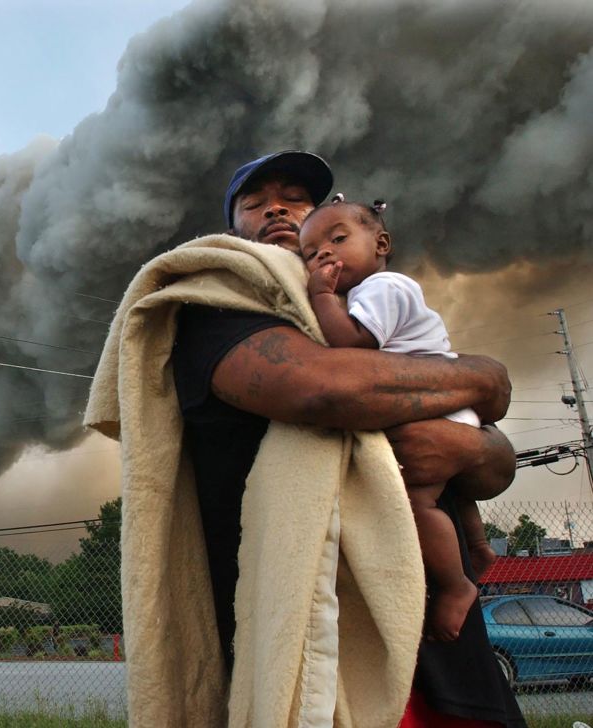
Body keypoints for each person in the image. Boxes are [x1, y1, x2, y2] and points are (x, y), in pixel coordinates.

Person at [168, 151, 523, 726]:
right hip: (319, 631)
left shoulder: (379, 300)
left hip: (441, 644)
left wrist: (477, 447)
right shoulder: (214, 303)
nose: (276, 208)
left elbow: (493, 464)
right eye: (254, 204)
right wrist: (484, 378)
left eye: (295, 199)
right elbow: (326, 389)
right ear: (232, 230)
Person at [300, 196, 495, 643]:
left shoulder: (379, 289)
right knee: (453, 489)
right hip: (448, 408)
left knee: (418, 502)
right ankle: (479, 547)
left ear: (381, 242)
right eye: (310, 253)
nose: (324, 253)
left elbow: (353, 344)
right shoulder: (385, 290)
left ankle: (455, 584)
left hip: (433, 410)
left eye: (338, 239)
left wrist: (320, 295)